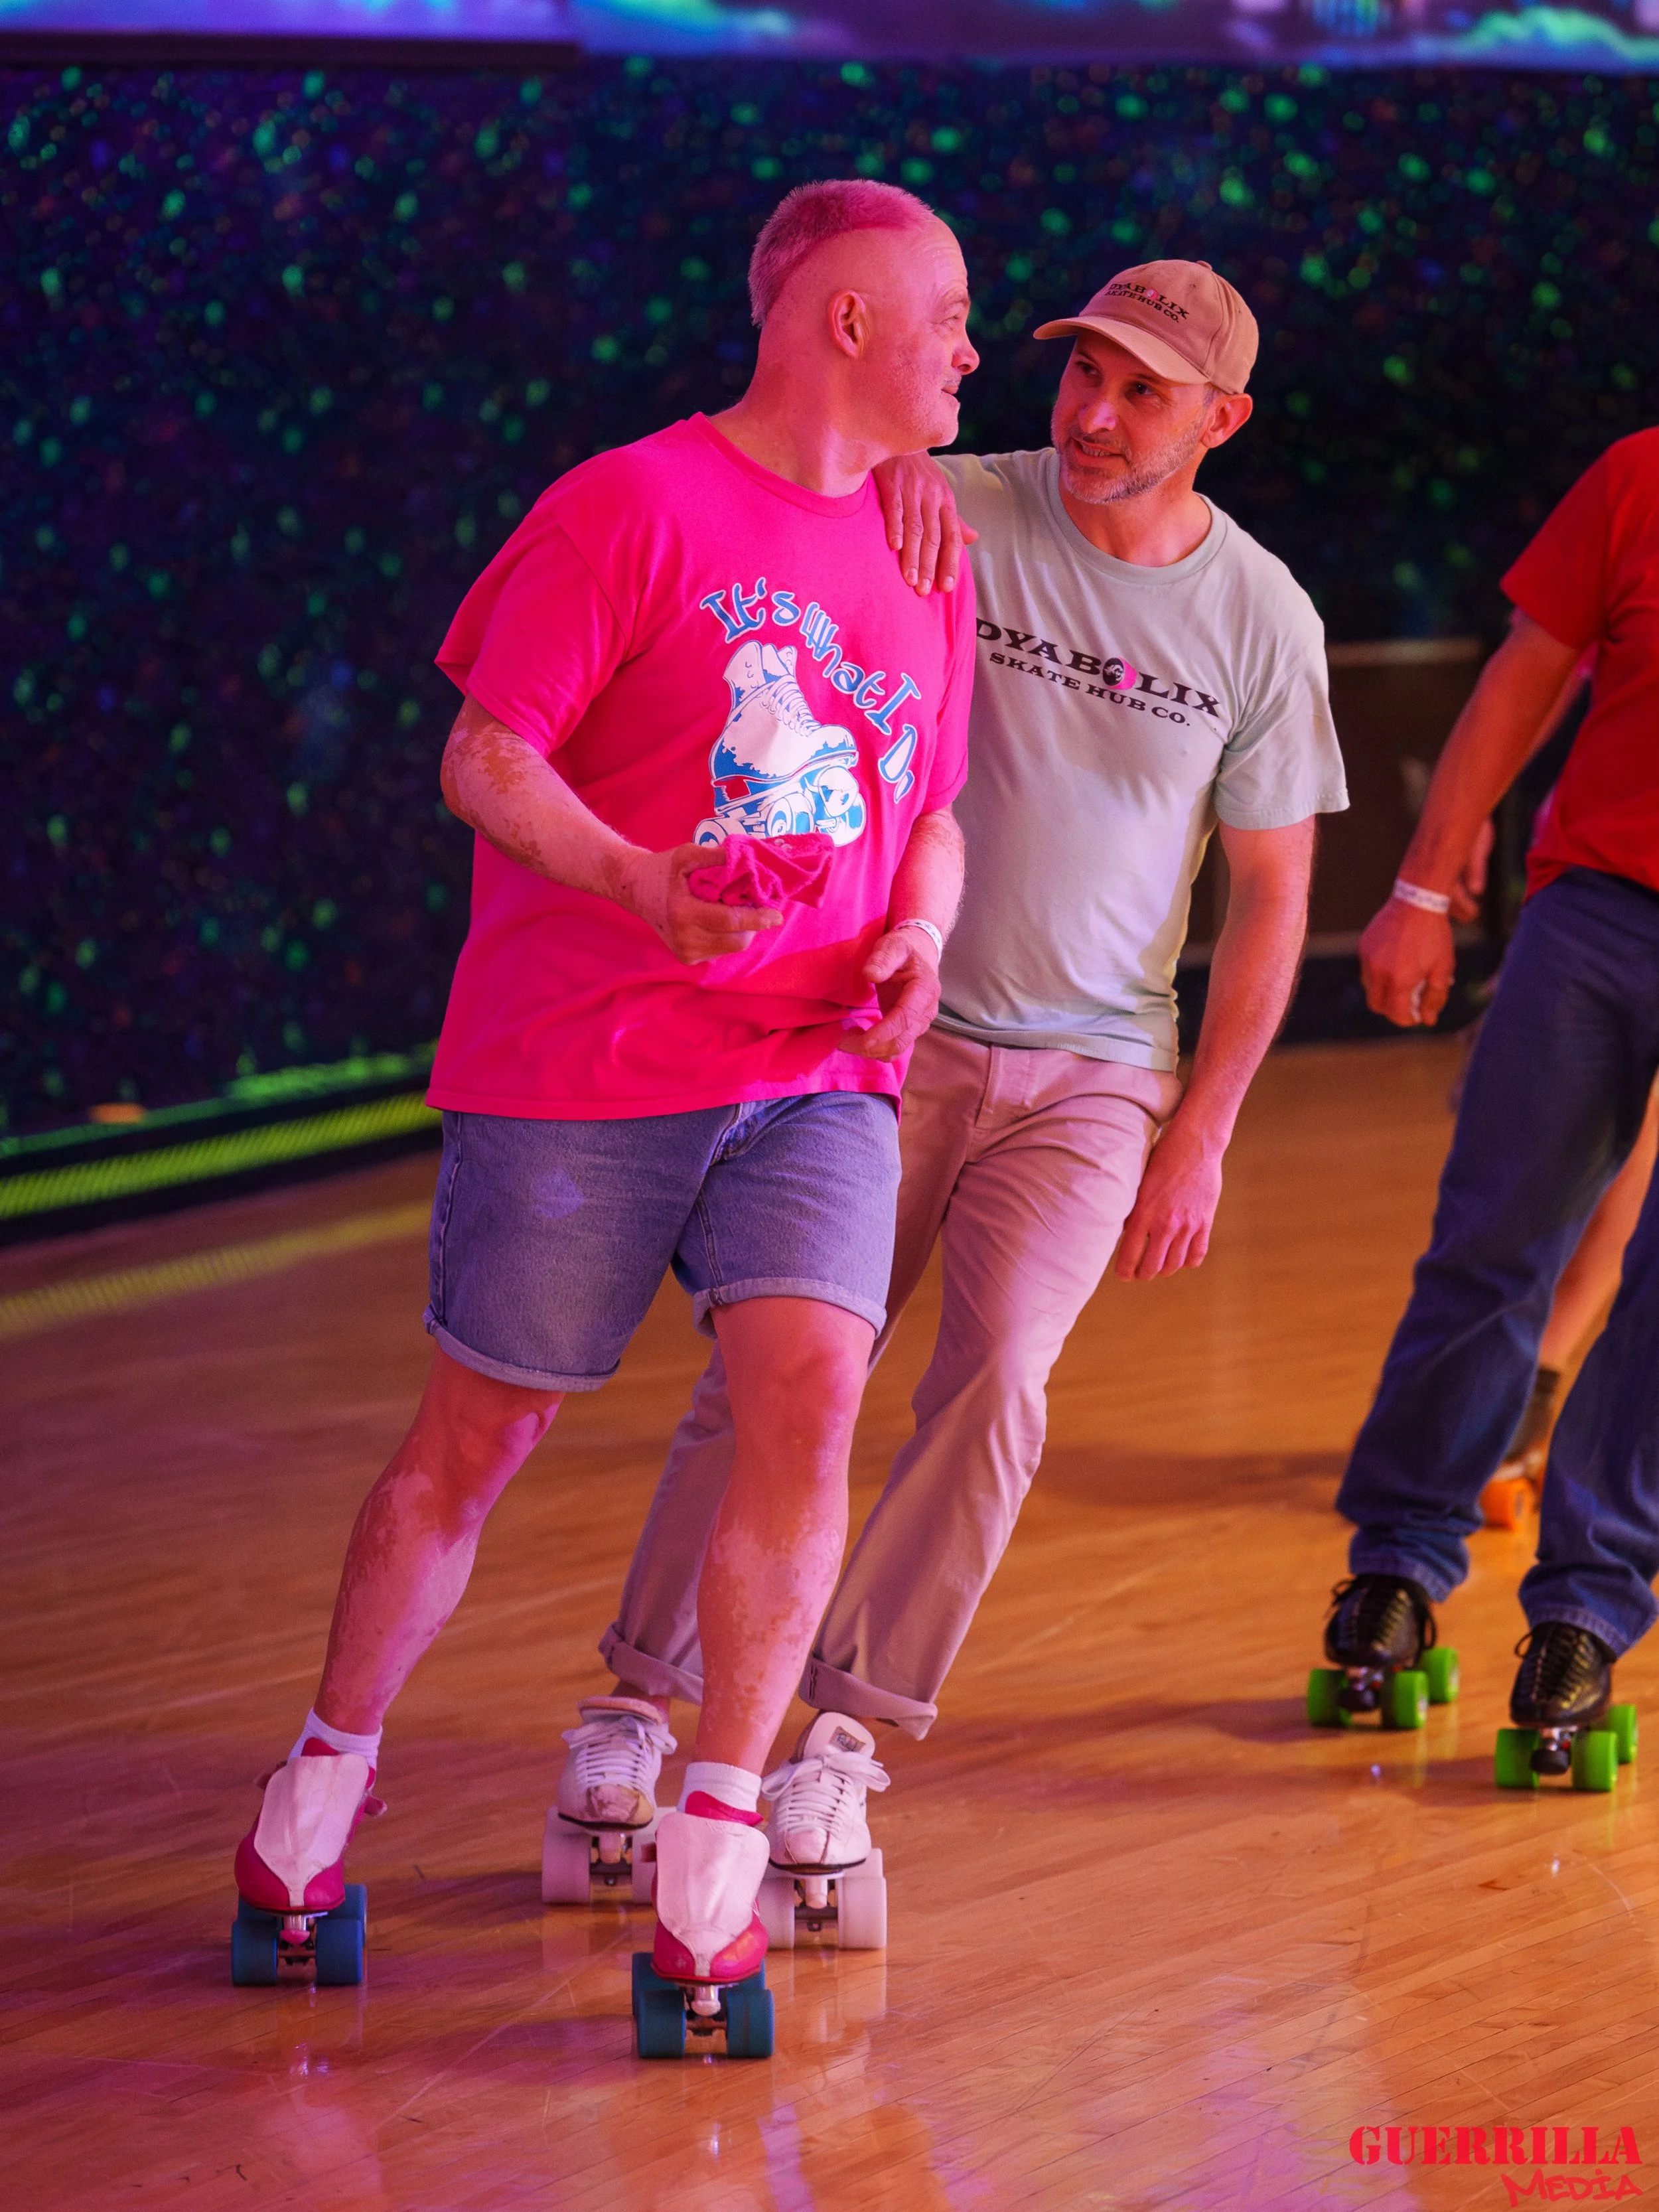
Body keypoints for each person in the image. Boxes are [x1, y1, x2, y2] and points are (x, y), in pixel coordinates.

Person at [231, 178, 979, 2011]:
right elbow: (484, 756)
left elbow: (932, 812)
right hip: (584, 1067)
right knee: (475, 1442)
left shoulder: (923, 545)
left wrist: (923, 940)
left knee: (807, 1396)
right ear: (849, 322)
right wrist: (647, 878)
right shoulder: (626, 504)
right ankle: (323, 1770)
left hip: (813, 1069)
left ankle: (716, 1824)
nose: (972, 344)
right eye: (950, 309)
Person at [553, 258, 1348, 1890]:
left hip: (1097, 1081)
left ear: (1221, 421)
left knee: (999, 1388)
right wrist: (886, 472)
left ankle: (838, 1738)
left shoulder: (1260, 616)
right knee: (777, 1377)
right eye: (1080, 375)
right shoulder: (947, 510)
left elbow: (1271, 896)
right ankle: (646, 1696)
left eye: (1139, 390)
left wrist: (1200, 1131)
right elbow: (804, 512)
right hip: (885, 1035)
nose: (1093, 412)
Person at [1321, 427, 1659, 1768]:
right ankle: (1398, 1562)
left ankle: (1583, 1609)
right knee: (1487, 1249)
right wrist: (1416, 886)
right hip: (1592, 920)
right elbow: (1524, 676)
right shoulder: (1637, 474)